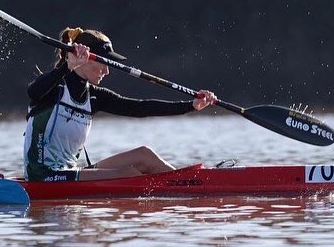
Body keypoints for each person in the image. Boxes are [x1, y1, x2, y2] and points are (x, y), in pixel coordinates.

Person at [24, 28, 217, 181]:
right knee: (128, 174)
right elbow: (33, 92)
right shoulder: (55, 87)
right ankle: (184, 188)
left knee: (145, 156)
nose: (107, 71)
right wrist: (69, 66)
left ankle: (188, 184)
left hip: (70, 171)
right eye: (104, 63)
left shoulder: (94, 97)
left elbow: (140, 108)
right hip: (44, 176)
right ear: (86, 60)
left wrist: (191, 105)